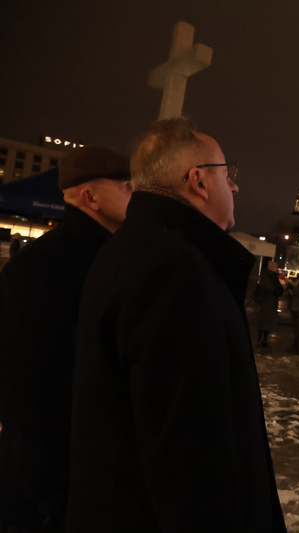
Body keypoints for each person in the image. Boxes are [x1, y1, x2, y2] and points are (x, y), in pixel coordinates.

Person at [67, 118, 286, 532]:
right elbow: (189, 455)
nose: (235, 186)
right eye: (229, 174)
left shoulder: (134, 248)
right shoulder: (176, 271)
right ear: (198, 181)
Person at [0, 146, 132, 531]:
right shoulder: (48, 266)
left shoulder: (109, 258)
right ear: (90, 197)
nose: (136, 196)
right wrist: (56, 490)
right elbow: (28, 388)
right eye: (126, 187)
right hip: (53, 485)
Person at [254, 260, 284, 350]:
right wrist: (277, 290)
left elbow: (279, 289)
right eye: (275, 267)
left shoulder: (273, 276)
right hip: (266, 302)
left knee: (267, 322)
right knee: (263, 322)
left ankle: (264, 340)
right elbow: (271, 288)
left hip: (271, 302)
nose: (277, 269)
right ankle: (260, 340)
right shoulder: (267, 275)